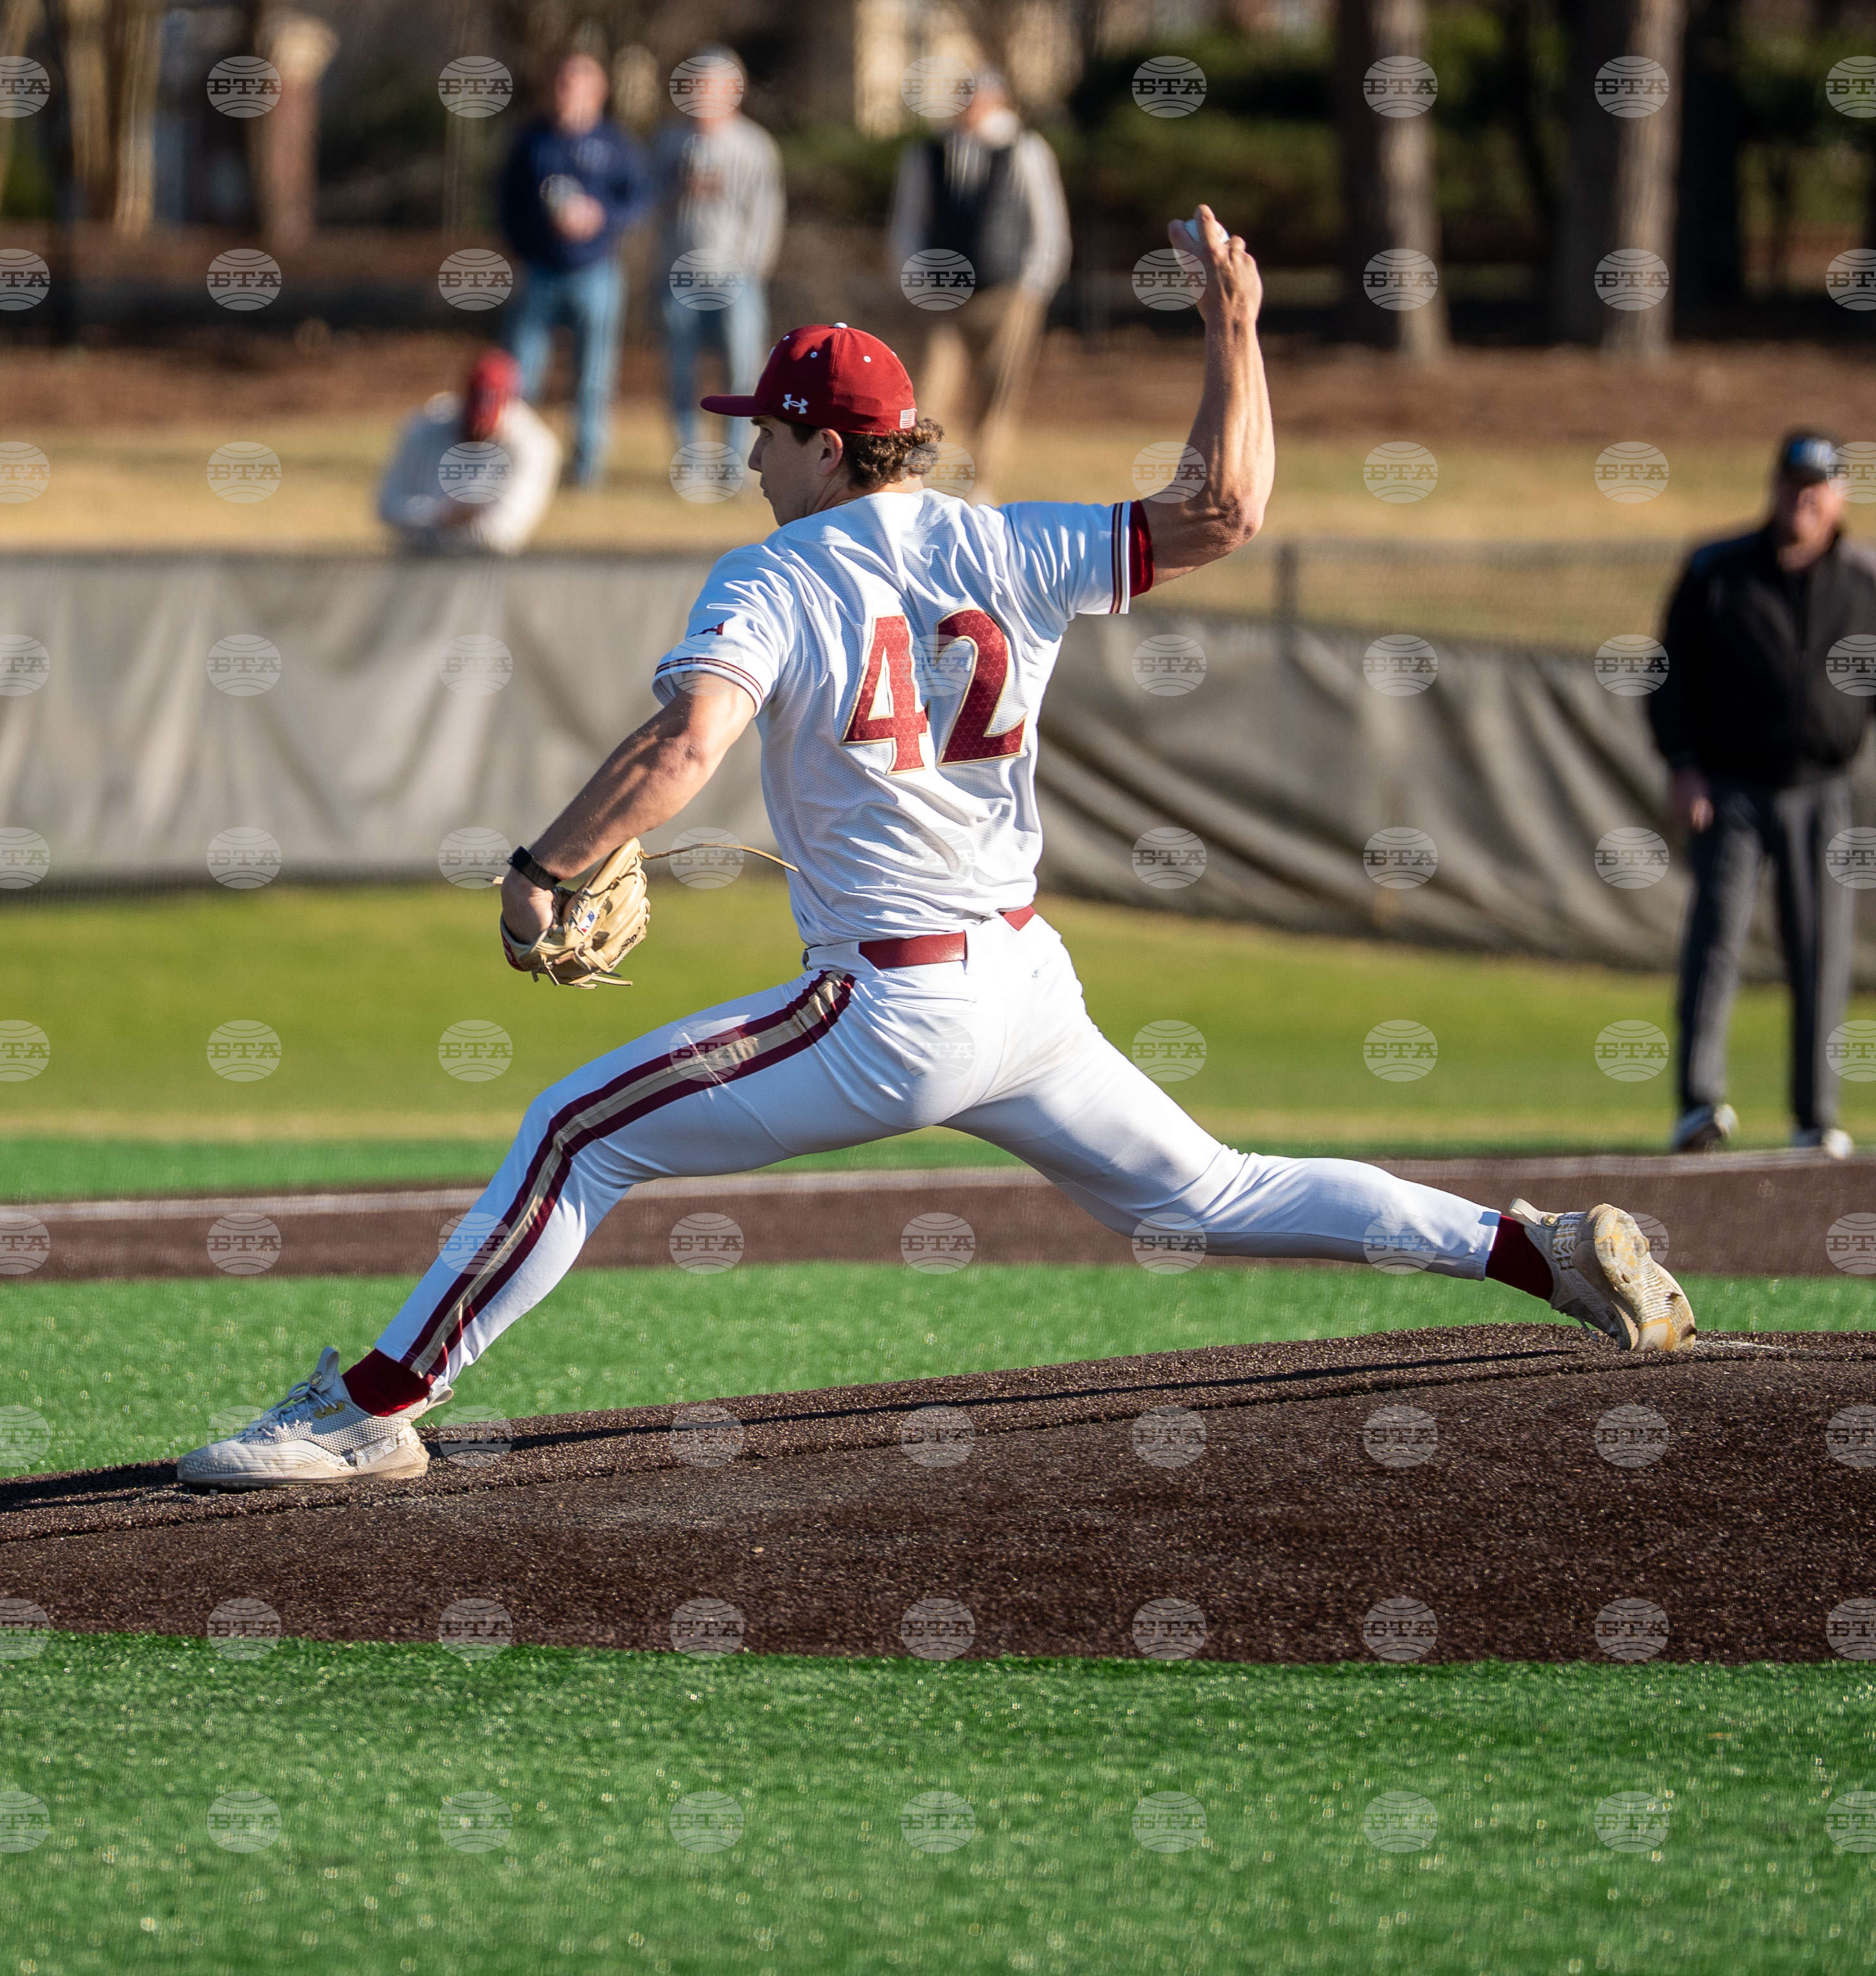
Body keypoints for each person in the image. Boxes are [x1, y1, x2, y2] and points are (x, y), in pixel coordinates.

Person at [175, 209, 1694, 1491]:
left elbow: (685, 749)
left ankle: (370, 1413)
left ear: (822, 444)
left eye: (763, 431)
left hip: (889, 1005)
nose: (748, 456)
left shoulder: (775, 571)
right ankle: (1536, 1250)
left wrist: (544, 862)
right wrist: (1235, 328)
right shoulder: (1007, 539)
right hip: (1021, 986)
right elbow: (1227, 507)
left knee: (580, 1130)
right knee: (1209, 1191)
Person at [1650, 429, 1876, 1158]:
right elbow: (1670, 676)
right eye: (1790, 484)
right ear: (1773, 487)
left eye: (1816, 487)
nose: (1801, 499)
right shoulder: (1719, 571)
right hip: (1732, 787)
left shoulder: (1862, 582)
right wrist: (1683, 763)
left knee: (1820, 948)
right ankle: (1698, 1102)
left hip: (1822, 790)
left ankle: (1816, 1114)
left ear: (1839, 495)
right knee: (1716, 939)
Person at [887, 67, 1070, 497]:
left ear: (997, 100)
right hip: (941, 294)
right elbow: (908, 221)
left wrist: (1034, 285)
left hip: (1006, 293)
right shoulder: (929, 151)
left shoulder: (1025, 149)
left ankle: (982, 482)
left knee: (998, 392)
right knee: (930, 387)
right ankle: (914, 478)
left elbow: (1047, 223)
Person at [496, 51, 653, 491]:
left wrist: (601, 217)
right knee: (521, 371)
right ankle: (512, 463)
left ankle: (586, 469)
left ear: (598, 92)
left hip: (596, 275)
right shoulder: (531, 141)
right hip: (540, 275)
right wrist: (530, 242)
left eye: (578, 84)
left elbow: (639, 200)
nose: (567, 93)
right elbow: (506, 204)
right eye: (562, 84)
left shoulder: (616, 143)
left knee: (593, 376)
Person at [652, 45, 785, 464]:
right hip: (677, 275)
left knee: (743, 371)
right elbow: (644, 203)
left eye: (712, 86)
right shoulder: (668, 142)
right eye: (695, 86)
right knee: (680, 370)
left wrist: (751, 269)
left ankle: (736, 460)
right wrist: (678, 190)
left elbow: (766, 215)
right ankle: (690, 458)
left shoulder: (755, 146)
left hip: (736, 277)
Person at [376, 349, 560, 556]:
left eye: (487, 425)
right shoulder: (426, 428)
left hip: (487, 570)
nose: (478, 431)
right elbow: (387, 507)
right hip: (416, 560)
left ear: (510, 407)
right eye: (473, 423)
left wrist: (444, 522)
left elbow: (503, 533)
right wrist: (439, 514)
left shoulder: (534, 446)